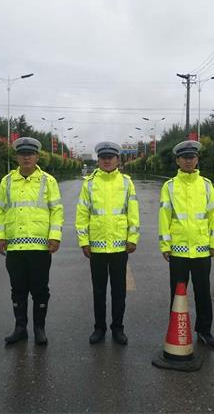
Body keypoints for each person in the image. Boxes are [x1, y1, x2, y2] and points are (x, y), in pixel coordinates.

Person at [0, 137, 63, 345]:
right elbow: (0, 209)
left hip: (40, 246)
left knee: (40, 290)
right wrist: (0, 236)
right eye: (23, 153)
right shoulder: (7, 181)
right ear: (17, 156)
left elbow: (56, 210)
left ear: (36, 156)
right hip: (15, 247)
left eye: (30, 154)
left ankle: (39, 328)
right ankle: (20, 327)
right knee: (18, 289)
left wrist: (55, 236)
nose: (26, 157)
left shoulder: (48, 181)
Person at [158, 140, 214, 349]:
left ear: (197, 159)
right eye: (184, 158)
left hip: (202, 250)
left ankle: (204, 330)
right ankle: (177, 327)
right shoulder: (170, 186)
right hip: (178, 251)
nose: (188, 161)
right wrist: (165, 245)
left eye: (191, 157)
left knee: (203, 293)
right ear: (177, 160)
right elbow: (164, 216)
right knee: (177, 293)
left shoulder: (206, 185)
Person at [76, 141, 140, 345]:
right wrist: (84, 241)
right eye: (103, 157)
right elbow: (82, 214)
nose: (106, 160)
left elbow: (133, 213)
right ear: (98, 160)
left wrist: (132, 238)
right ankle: (99, 328)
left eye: (110, 157)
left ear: (117, 160)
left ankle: (118, 328)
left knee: (119, 291)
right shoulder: (89, 183)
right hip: (96, 246)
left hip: (120, 246)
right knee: (99, 291)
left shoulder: (126, 182)